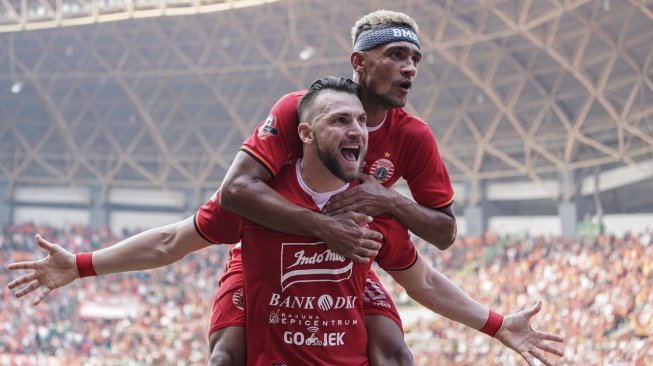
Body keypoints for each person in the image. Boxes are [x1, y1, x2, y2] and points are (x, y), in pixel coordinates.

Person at [8, 77, 564, 366]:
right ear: (304, 133)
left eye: (361, 122)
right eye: (339, 120)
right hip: (260, 293)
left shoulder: (373, 212)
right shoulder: (255, 202)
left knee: (394, 353)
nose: (357, 131)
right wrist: (80, 266)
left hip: (339, 312)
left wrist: (497, 325)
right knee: (226, 356)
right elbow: (171, 241)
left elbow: (425, 281)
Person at [207, 9, 455, 365]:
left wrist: (390, 201)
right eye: (397, 55)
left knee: (397, 354)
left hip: (345, 260)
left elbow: (444, 234)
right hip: (269, 253)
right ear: (359, 61)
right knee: (226, 357)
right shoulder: (301, 109)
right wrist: (324, 226)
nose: (410, 67)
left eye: (415, 58)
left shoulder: (414, 135)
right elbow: (233, 192)